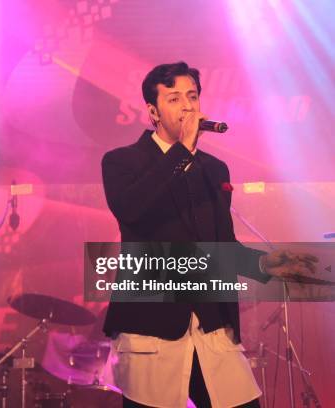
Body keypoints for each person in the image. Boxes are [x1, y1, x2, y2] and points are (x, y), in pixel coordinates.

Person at [101, 62, 316, 407]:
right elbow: (132, 211)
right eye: (174, 99)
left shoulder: (214, 169)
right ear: (153, 111)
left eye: (192, 96)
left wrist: (280, 267)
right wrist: (182, 151)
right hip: (152, 327)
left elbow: (224, 248)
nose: (187, 106)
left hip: (211, 324)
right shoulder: (121, 162)